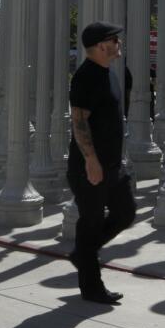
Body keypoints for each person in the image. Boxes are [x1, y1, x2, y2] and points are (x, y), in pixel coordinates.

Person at [67, 21, 136, 305]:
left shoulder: (112, 75)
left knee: (126, 212)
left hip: (113, 165)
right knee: (91, 222)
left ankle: (82, 254)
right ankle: (92, 287)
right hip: (89, 167)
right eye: (114, 40)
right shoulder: (85, 77)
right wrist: (91, 161)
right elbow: (79, 122)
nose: (119, 44)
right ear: (100, 46)